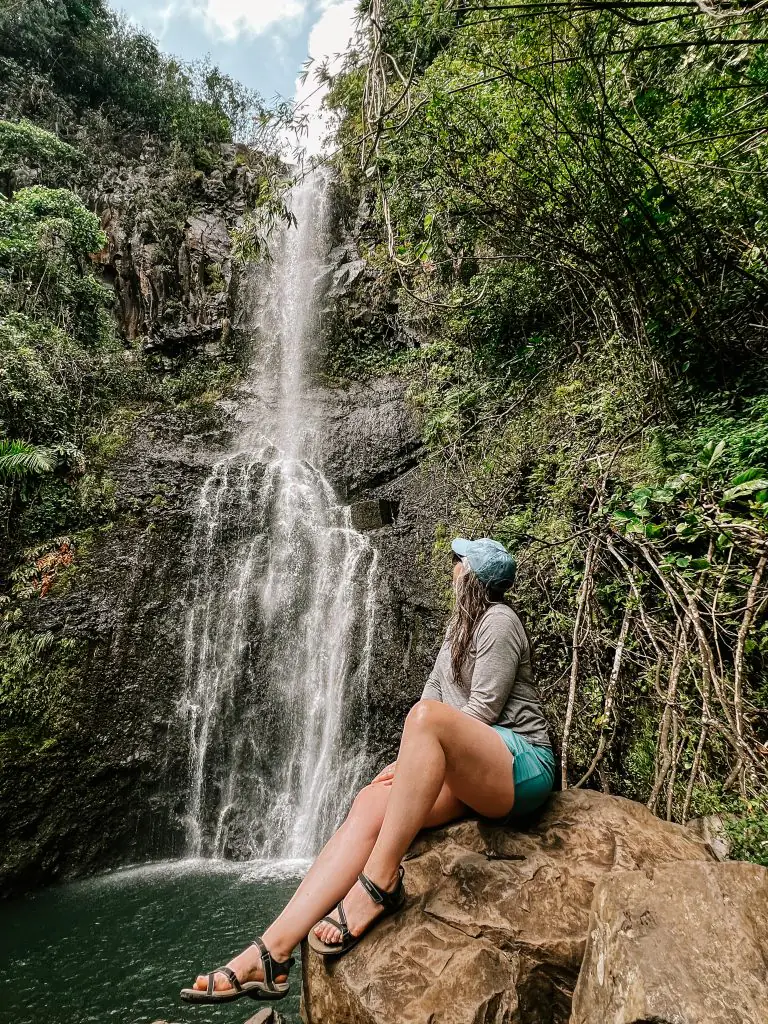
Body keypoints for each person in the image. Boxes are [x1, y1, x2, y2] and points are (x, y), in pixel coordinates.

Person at [181, 536, 555, 1005]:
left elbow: (481, 710)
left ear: (475, 576)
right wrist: (407, 763)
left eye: (459, 562)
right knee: (370, 801)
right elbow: (432, 697)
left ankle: (379, 884)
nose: (452, 568)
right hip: (469, 774)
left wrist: (421, 747)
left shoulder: (499, 620)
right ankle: (270, 953)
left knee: (421, 721)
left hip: (520, 763)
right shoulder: (458, 628)